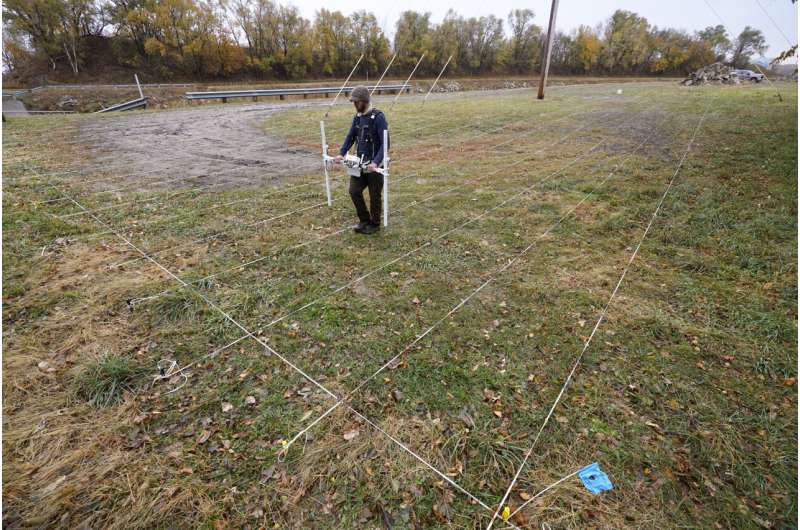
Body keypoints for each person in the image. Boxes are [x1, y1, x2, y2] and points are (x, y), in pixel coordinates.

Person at [334, 85, 389, 235]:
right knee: (354, 191)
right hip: (359, 163)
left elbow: (386, 143)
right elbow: (350, 136)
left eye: (356, 102)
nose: (354, 105)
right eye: (353, 102)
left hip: (375, 166)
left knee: (374, 195)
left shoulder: (378, 117)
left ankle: (375, 224)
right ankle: (364, 220)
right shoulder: (357, 118)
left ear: (364, 101)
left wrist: (376, 162)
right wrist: (341, 153)